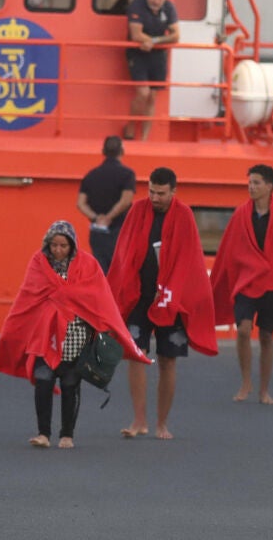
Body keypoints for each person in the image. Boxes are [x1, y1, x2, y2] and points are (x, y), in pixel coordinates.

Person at [0, 220, 150, 449]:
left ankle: (67, 434)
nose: (58, 250)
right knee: (43, 380)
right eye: (54, 245)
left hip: (76, 334)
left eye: (63, 246)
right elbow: (27, 298)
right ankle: (43, 433)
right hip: (44, 334)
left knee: (70, 383)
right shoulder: (38, 262)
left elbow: (98, 297)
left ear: (72, 246)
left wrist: (101, 325)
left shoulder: (88, 264)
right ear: (47, 244)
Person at [107, 167, 218, 440]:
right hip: (139, 296)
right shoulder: (136, 211)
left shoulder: (185, 216)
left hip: (172, 298)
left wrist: (172, 293)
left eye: (161, 193)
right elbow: (124, 251)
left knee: (168, 360)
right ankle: (139, 421)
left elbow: (190, 260)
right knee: (135, 355)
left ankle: (162, 424)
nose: (155, 198)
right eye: (152, 192)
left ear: (173, 192)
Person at [210, 164, 273, 405]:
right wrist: (217, 284)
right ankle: (246, 382)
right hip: (247, 281)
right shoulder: (240, 214)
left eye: (256, 183)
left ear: (269, 186)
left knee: (266, 335)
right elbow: (226, 249)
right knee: (243, 330)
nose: (251, 187)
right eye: (250, 183)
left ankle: (264, 390)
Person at [123, 0, 179, 141]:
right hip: (137, 53)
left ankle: (144, 138)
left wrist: (154, 42)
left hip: (158, 55)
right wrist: (154, 40)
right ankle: (130, 129)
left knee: (152, 97)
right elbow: (136, 34)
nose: (156, 1)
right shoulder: (137, 5)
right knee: (143, 93)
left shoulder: (169, 7)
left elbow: (176, 35)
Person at [76, 135, 136, 274]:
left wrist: (97, 218)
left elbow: (80, 203)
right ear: (122, 151)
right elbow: (126, 201)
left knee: (101, 272)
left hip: (97, 232)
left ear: (103, 151)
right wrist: (109, 217)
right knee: (120, 272)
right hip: (119, 231)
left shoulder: (91, 175)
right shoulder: (127, 174)